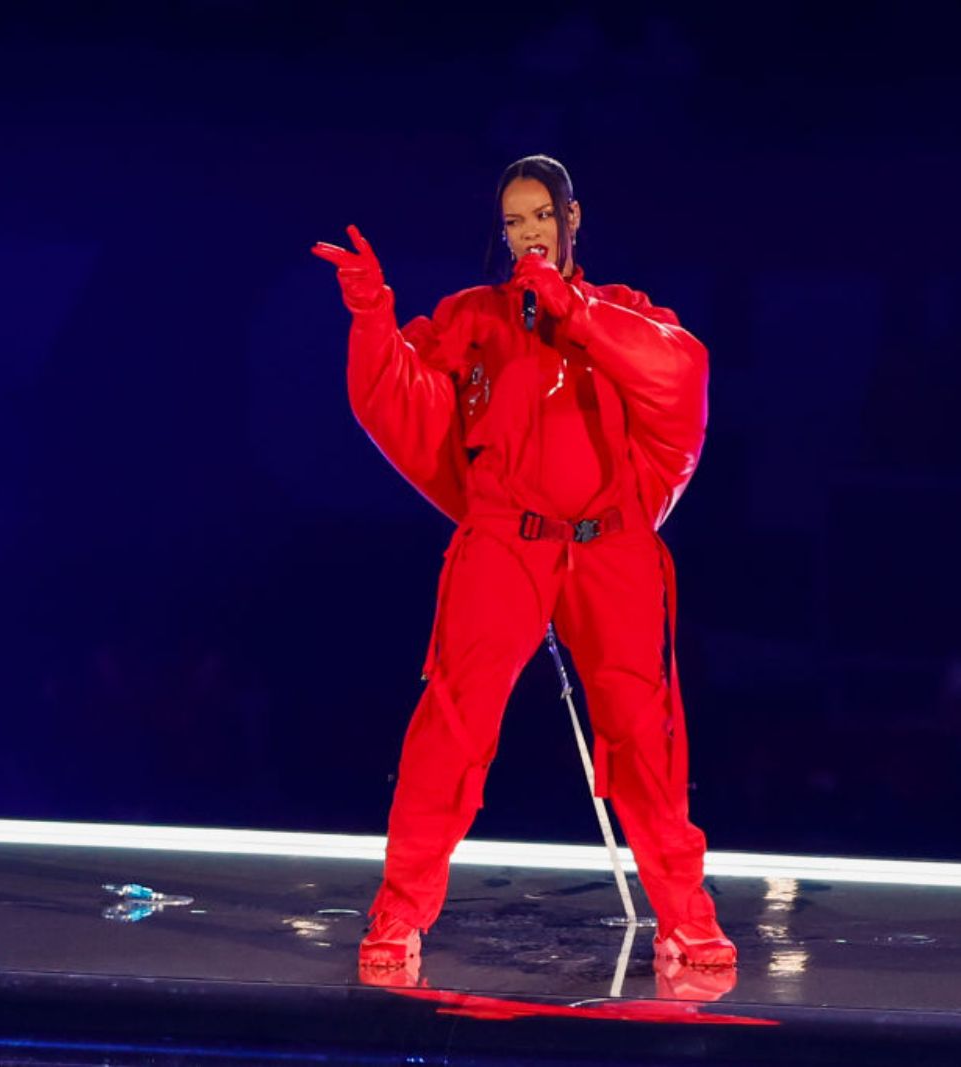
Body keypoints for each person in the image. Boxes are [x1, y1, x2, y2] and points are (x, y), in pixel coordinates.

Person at [311, 155, 735, 973]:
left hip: (608, 544)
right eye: (513, 222)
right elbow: (397, 393)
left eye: (541, 216)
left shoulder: (623, 311)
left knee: (645, 736)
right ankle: (399, 914)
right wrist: (372, 313)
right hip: (507, 538)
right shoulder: (476, 317)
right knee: (452, 723)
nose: (528, 235)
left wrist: (575, 310)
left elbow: (680, 372)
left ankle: (686, 915)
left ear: (574, 219)